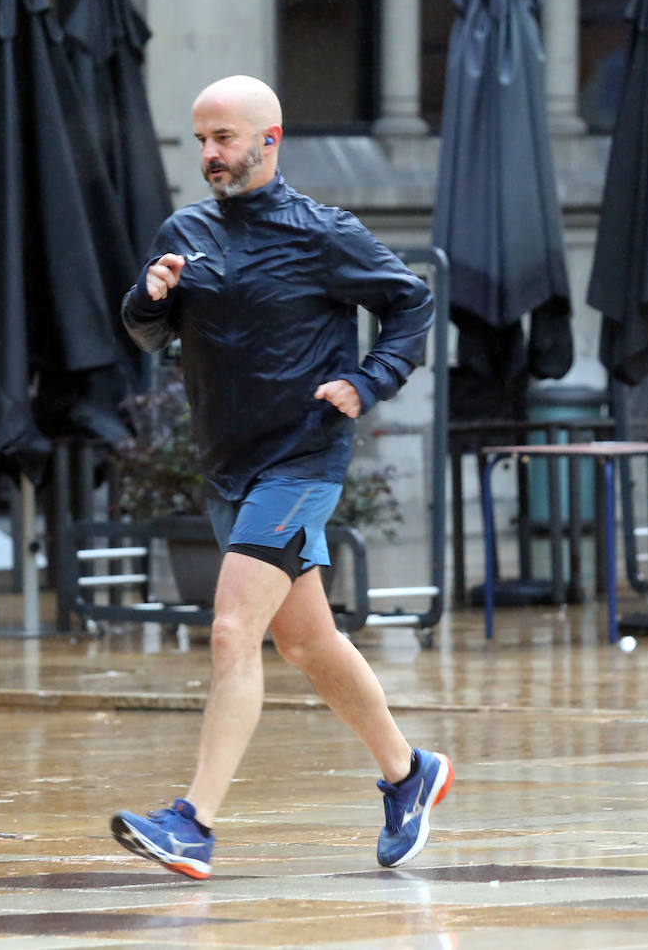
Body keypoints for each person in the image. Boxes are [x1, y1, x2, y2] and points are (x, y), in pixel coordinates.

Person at [110, 75, 450, 879]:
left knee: (234, 629)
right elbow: (149, 333)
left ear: (270, 139)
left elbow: (411, 304)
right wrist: (149, 294)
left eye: (223, 138)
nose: (209, 154)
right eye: (200, 139)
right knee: (307, 638)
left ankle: (192, 821)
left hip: (301, 459)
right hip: (228, 466)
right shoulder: (185, 230)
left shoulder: (324, 233)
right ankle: (409, 772)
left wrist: (366, 383)